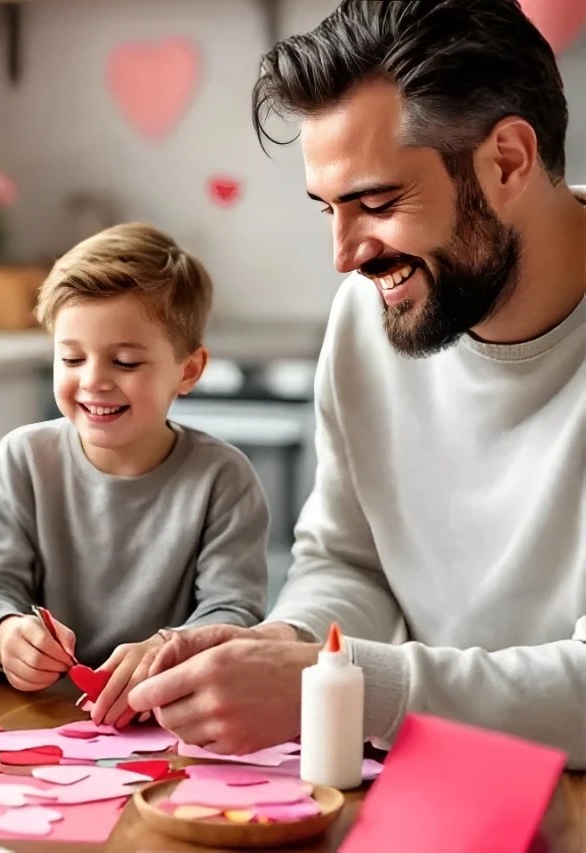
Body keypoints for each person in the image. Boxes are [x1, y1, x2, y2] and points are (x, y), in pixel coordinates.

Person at [128, 0, 586, 768]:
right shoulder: (366, 319)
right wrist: (283, 643)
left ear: (507, 160)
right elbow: (350, 561)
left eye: (377, 203)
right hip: (444, 780)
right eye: (329, 210)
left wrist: (338, 684)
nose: (344, 255)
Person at [0, 223, 269, 727]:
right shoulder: (24, 459)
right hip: (34, 720)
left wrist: (168, 651)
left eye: (125, 361)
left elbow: (234, 614)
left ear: (188, 371)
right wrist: (5, 634)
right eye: (71, 358)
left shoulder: (223, 479)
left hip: (168, 721)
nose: (94, 380)